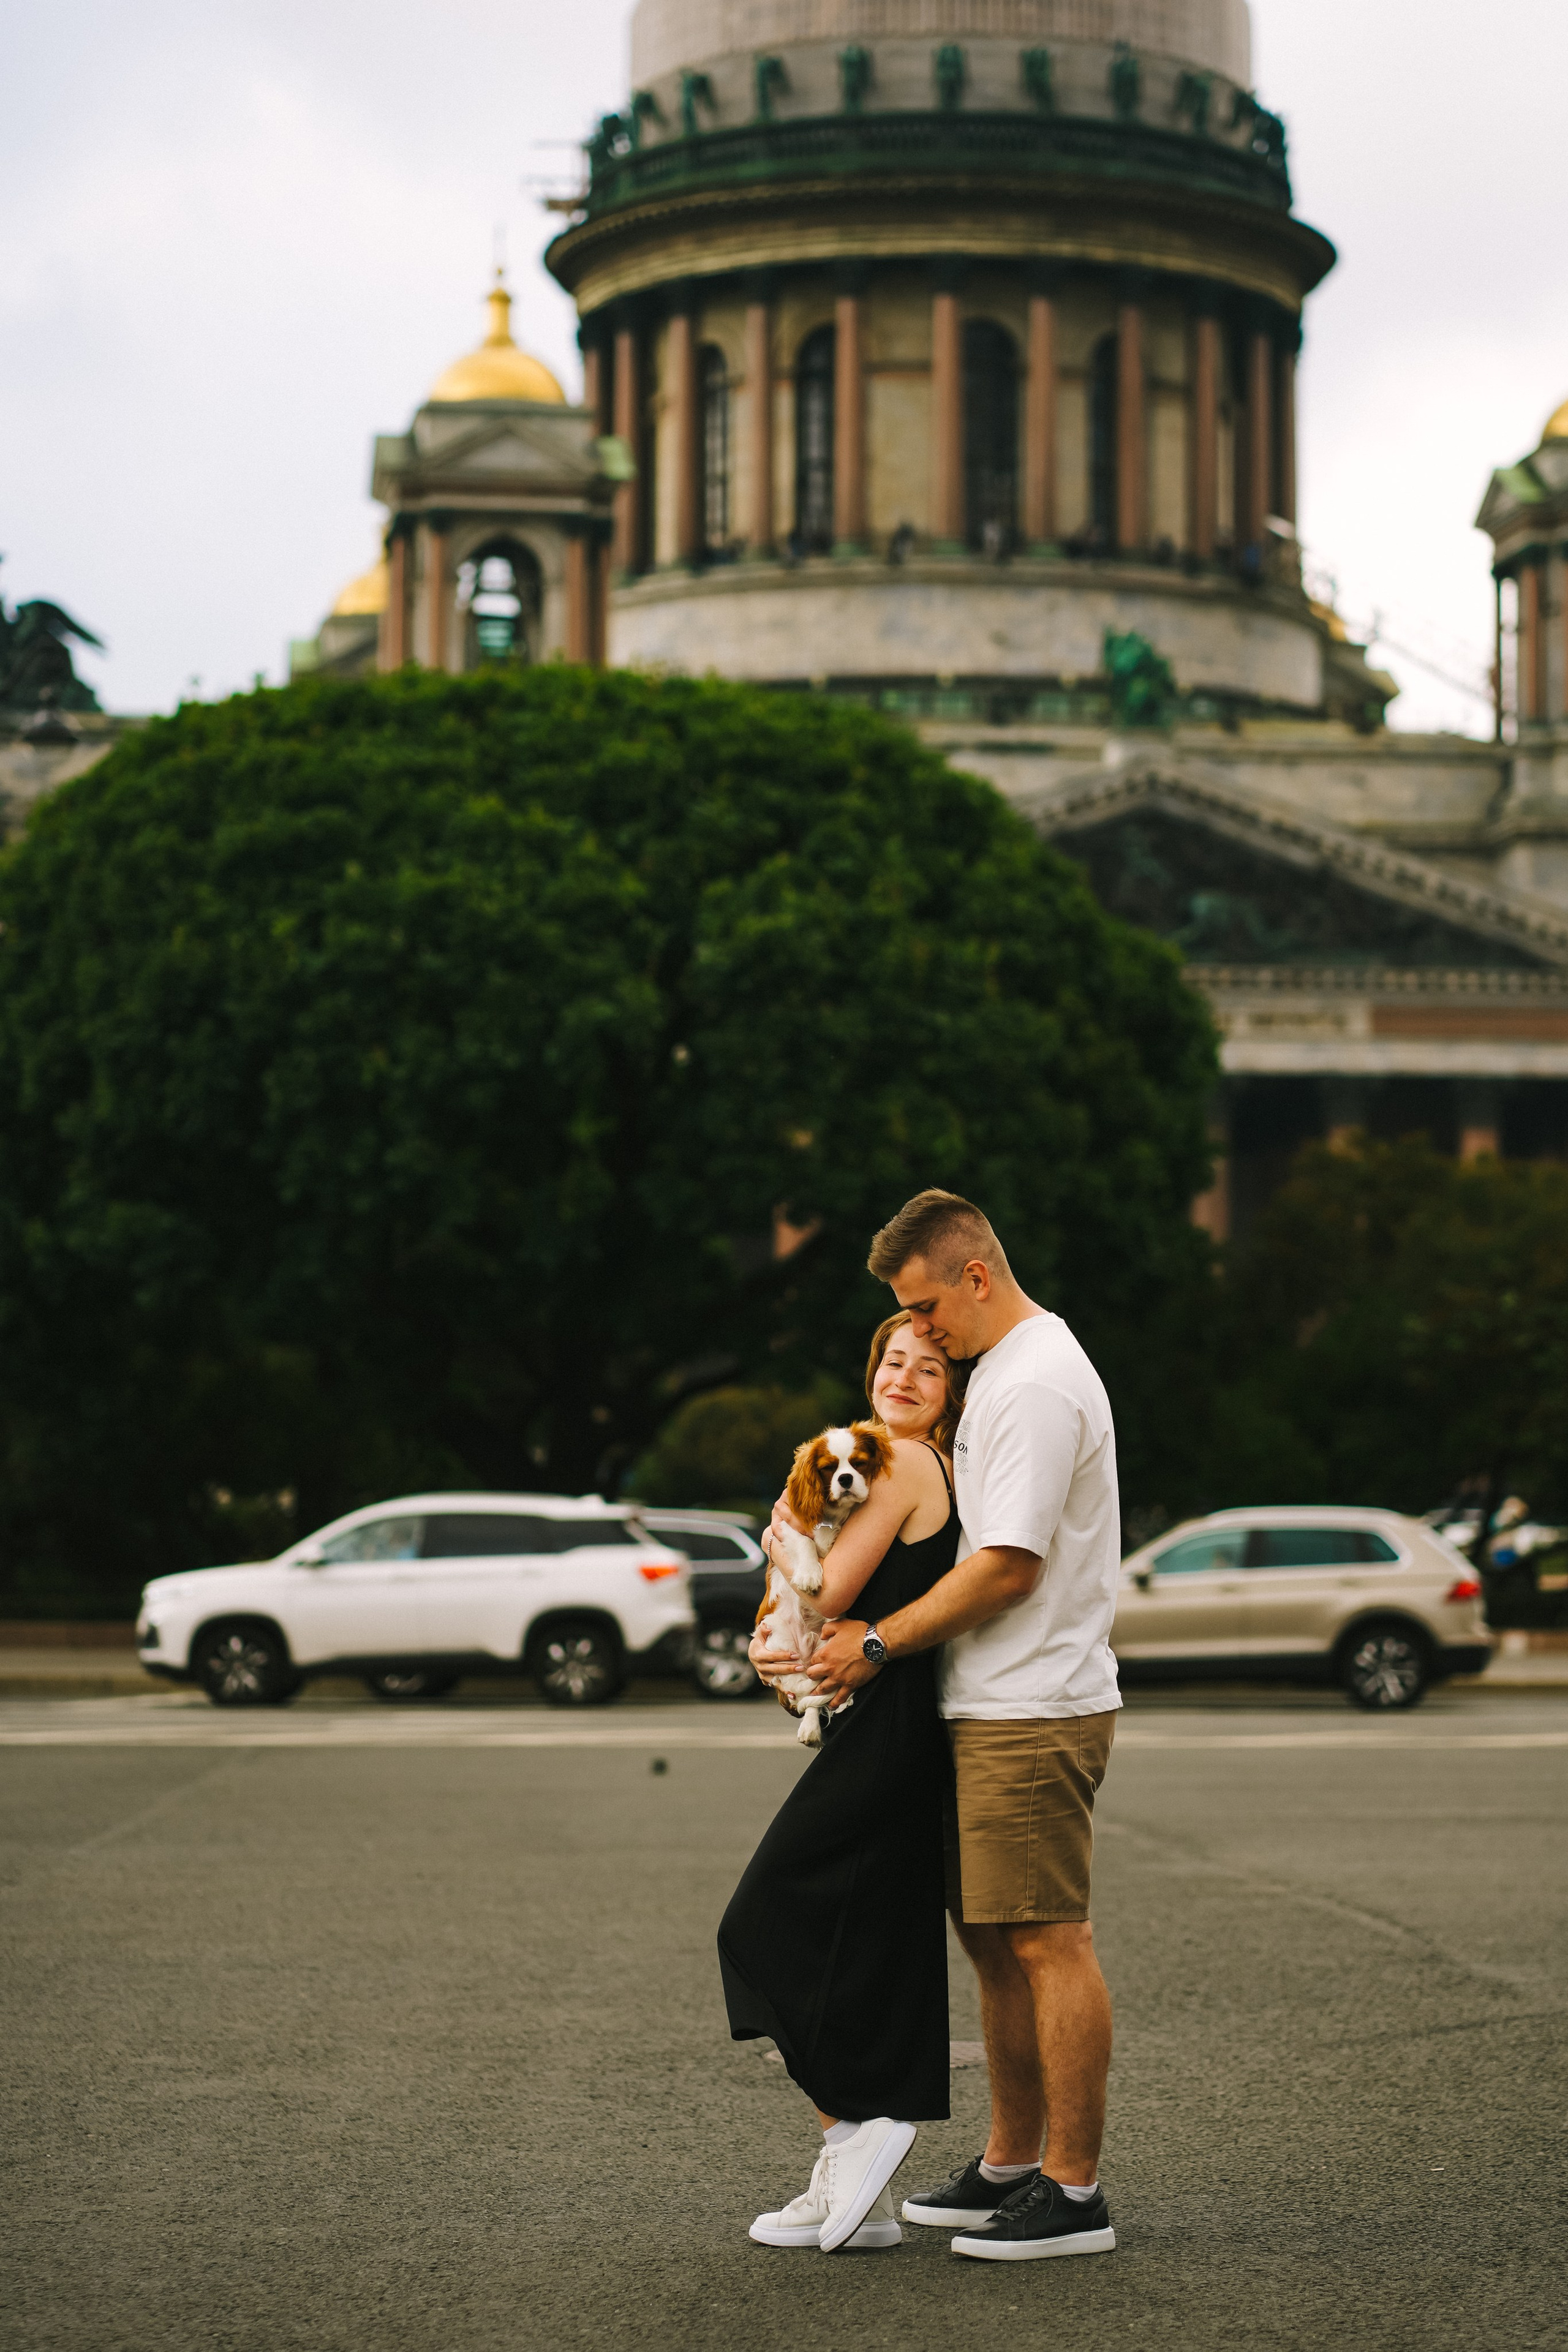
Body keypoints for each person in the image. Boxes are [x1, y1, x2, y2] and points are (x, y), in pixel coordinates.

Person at [792, 1189, 1121, 2264]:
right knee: (994, 1945)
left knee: (1046, 1940)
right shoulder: (1003, 1377)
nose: (922, 1331)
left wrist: (877, 1643)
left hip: (1033, 1706)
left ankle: (1072, 2196)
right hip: (985, 1702)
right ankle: (1010, 2163)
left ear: (975, 1276)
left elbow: (1008, 1566)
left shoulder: (1029, 1384)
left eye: (928, 1306)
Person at [718, 1313, 967, 2255]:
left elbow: (823, 1591)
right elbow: (828, 1621)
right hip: (884, 1721)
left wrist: (782, 1545)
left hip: (892, 1728)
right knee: (867, 1944)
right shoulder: (899, 1463)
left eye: (929, 1368)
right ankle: (864, 2191)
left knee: (757, 1926)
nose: (903, 1377)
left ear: (951, 1392)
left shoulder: (905, 1462)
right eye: (892, 1361)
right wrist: (784, 1656)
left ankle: (862, 2132)